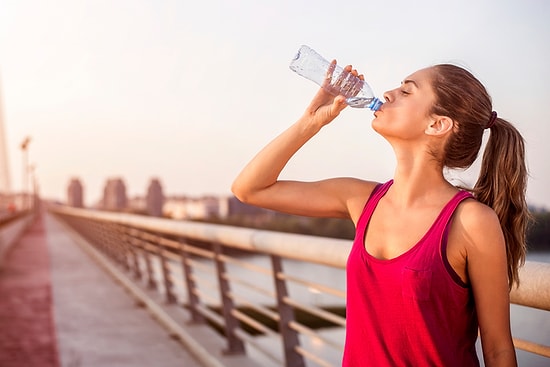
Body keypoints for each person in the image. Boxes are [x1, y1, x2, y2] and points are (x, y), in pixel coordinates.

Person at [232, 61, 529, 366]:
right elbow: (250, 189)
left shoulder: (471, 222)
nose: (387, 93)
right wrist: (310, 122)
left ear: (437, 124)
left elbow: (497, 350)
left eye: (406, 91)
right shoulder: (360, 200)